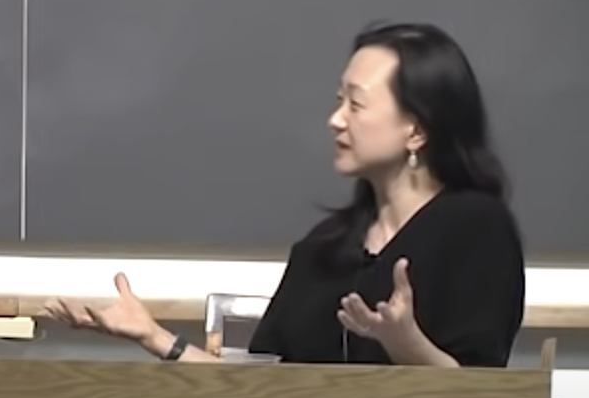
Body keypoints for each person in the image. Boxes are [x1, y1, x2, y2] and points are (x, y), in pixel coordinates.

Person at [47, 22, 524, 368]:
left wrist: (406, 342)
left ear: (416, 129)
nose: (335, 119)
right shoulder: (327, 246)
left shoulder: (476, 228)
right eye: (338, 100)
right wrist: (155, 337)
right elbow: (262, 393)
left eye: (355, 104)